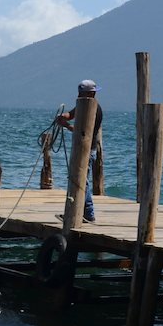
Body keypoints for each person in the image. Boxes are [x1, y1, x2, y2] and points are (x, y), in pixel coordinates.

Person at [56, 79, 103, 223]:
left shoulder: (94, 109)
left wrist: (66, 126)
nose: (78, 95)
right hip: (82, 149)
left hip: (88, 149)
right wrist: (62, 117)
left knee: (83, 181)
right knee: (79, 179)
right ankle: (76, 212)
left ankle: (88, 213)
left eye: (81, 93)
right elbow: (71, 114)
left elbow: (83, 132)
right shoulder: (82, 105)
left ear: (91, 94)